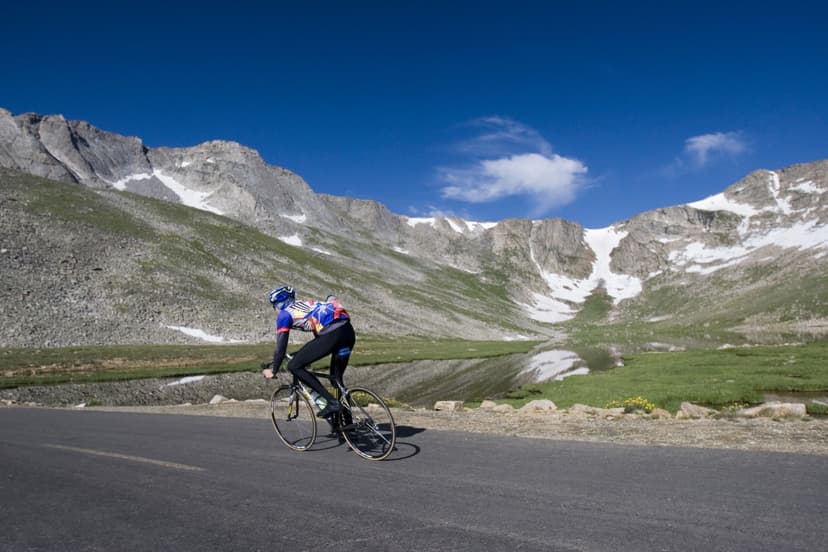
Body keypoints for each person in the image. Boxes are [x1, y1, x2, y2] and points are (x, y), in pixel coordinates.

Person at [261, 286, 355, 419]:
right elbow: (331, 301)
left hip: (331, 335)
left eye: (274, 306)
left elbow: (281, 347)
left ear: (278, 305)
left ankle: (332, 402)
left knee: (294, 366)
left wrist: (274, 370)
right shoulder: (308, 304)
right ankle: (348, 424)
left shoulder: (284, 314)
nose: (274, 310)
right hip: (348, 333)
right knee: (336, 380)